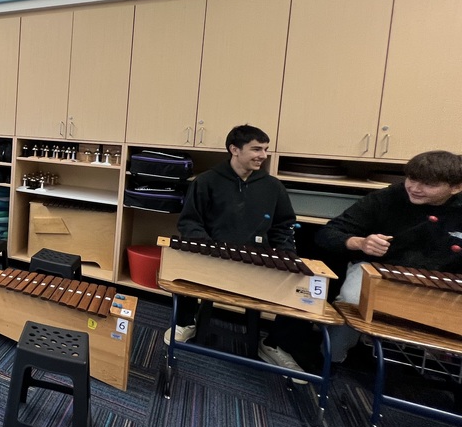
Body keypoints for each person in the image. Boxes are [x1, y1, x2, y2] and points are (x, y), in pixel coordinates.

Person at [169, 124, 308, 377]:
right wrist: (210, 250)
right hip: (213, 258)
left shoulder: (273, 187)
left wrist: (288, 257)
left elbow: (283, 227)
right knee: (181, 260)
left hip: (255, 262)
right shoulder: (206, 181)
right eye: (256, 149)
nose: (263, 155)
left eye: (265, 149)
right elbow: (189, 222)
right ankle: (186, 322)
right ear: (234, 149)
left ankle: (274, 344)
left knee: (304, 288)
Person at [315, 150, 462, 362]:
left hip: (441, 277)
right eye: (411, 179)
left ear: (456, 187)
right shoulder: (388, 198)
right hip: (379, 270)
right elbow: (328, 233)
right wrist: (361, 243)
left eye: (429, 185)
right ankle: (330, 361)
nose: (415, 188)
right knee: (353, 300)